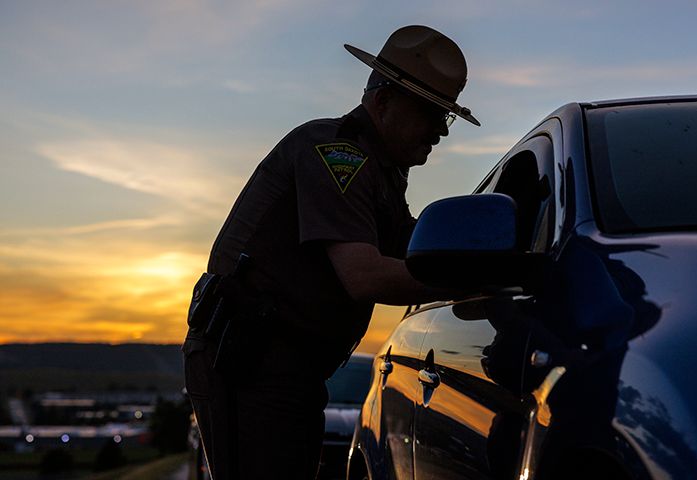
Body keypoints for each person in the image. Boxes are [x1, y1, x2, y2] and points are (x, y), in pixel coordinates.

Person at [182, 25, 479, 479]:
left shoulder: (382, 173)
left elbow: (415, 248)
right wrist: (477, 279)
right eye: (430, 112)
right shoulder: (336, 154)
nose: (440, 131)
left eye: (447, 116)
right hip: (252, 364)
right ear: (382, 101)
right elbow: (366, 277)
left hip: (284, 367)